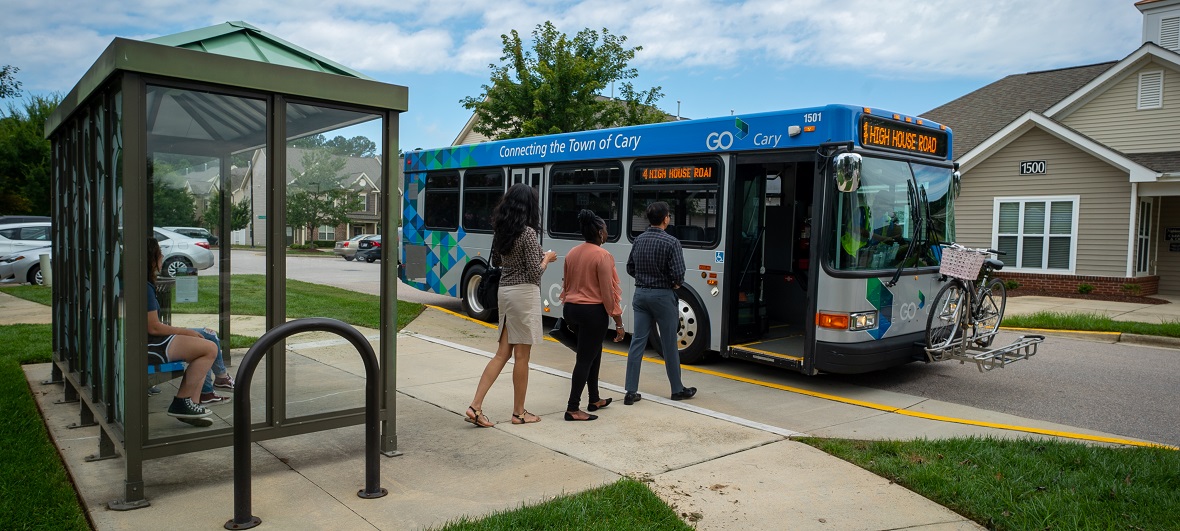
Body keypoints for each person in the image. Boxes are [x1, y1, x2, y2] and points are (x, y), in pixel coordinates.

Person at [465, 184, 558, 427]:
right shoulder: (527, 233)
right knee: (522, 357)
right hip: (523, 295)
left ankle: (475, 405)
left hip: (504, 293)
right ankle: (518, 413)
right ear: (529, 206)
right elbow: (534, 273)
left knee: (502, 353)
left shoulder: (502, 231)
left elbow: (497, 261)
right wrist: (547, 258)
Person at [623, 201, 696, 404]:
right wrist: (673, 284)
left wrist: (644, 279)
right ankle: (677, 389)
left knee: (638, 341)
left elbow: (630, 267)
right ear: (665, 219)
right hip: (663, 296)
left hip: (640, 295)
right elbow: (678, 274)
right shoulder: (671, 242)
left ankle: (630, 391)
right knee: (669, 343)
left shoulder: (638, 240)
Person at [559, 210, 625, 422]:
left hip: (571, 309)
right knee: (585, 359)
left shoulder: (572, 253)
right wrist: (618, 322)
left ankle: (594, 398)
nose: (606, 232)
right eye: (605, 228)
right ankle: (572, 408)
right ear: (599, 232)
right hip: (592, 313)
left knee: (593, 352)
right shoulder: (602, 256)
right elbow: (608, 294)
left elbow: (566, 285)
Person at [146, 238, 219, 427]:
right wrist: (185, 331)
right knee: (209, 348)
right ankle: (182, 402)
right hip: (149, 345)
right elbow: (153, 327)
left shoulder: (140, 283)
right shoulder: (144, 288)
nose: (162, 257)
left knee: (203, 347)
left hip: (145, 341)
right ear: (152, 258)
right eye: (160, 254)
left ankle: (190, 404)